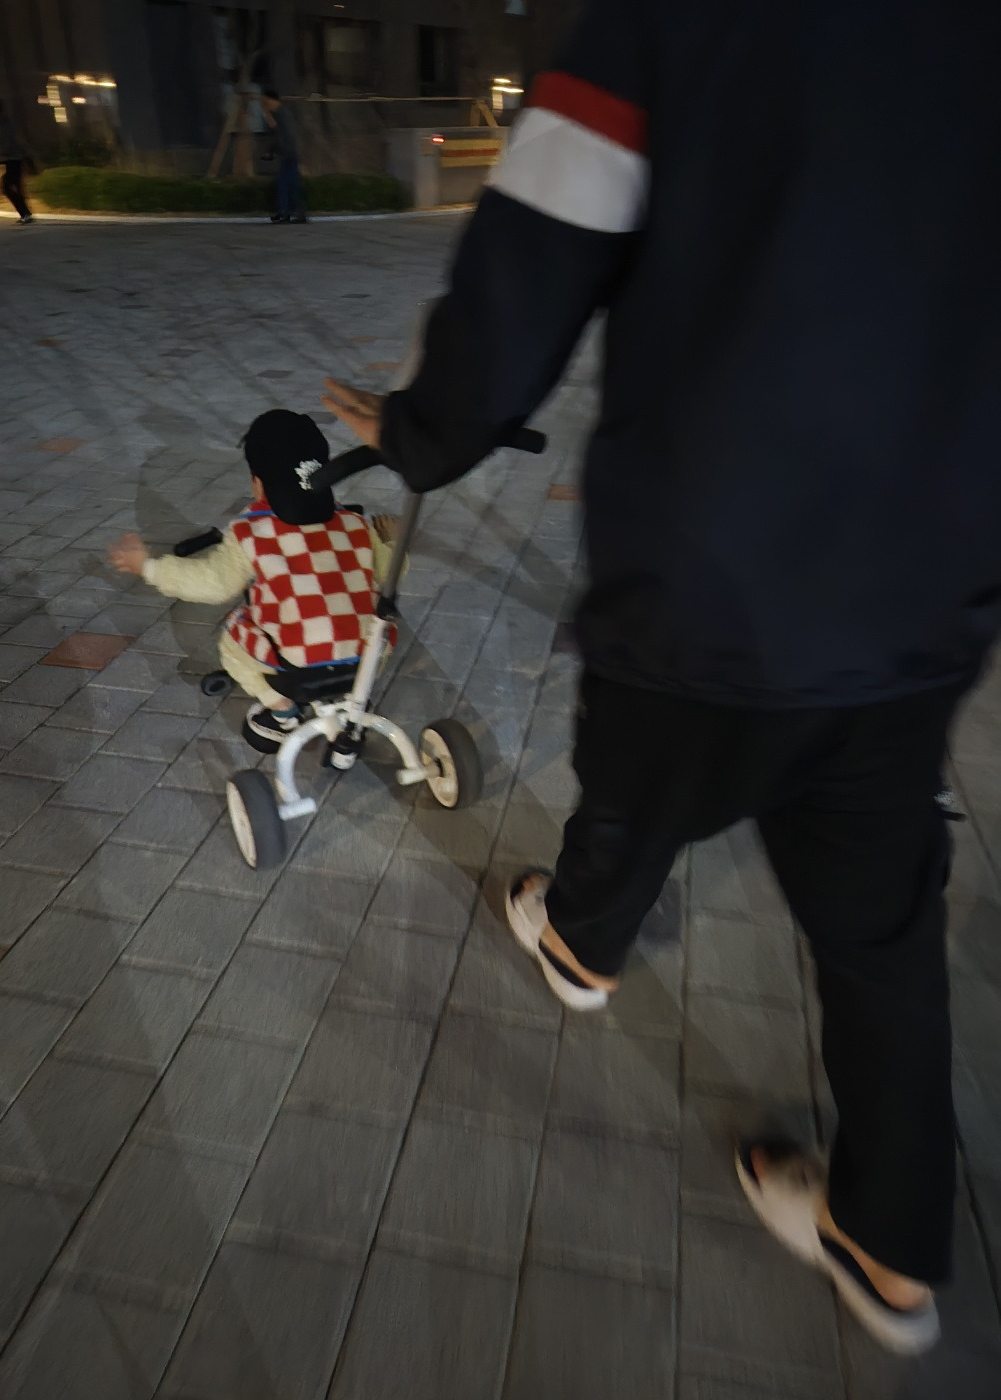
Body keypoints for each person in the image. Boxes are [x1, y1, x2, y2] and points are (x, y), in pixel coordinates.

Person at [324, 0, 1001, 1358]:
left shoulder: (664, 24)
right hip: (924, 584)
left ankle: (582, 943)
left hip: (714, 568)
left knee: (636, 792)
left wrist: (423, 430)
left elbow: (534, 249)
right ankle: (890, 1245)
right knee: (880, 933)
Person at [109, 411, 397, 748]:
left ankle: (282, 712)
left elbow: (214, 584)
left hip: (297, 669)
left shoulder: (252, 531)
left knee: (235, 630)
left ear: (257, 483)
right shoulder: (355, 523)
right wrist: (390, 541)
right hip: (369, 659)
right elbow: (391, 573)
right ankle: (353, 701)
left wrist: (148, 567)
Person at [0, 97, 33, 224]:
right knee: (17, 187)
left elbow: (5, 140)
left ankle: (25, 213)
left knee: (6, 187)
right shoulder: (5, 119)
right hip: (16, 158)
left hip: (13, 159)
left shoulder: (3, 120)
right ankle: (26, 214)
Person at [259, 89, 307, 225]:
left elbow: (286, 136)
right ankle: (291, 213)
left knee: (286, 185)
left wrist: (273, 125)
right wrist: (271, 152)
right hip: (287, 155)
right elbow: (276, 137)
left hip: (289, 155)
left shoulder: (283, 115)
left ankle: (287, 213)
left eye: (266, 102)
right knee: (290, 185)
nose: (265, 105)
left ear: (274, 101)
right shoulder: (278, 114)